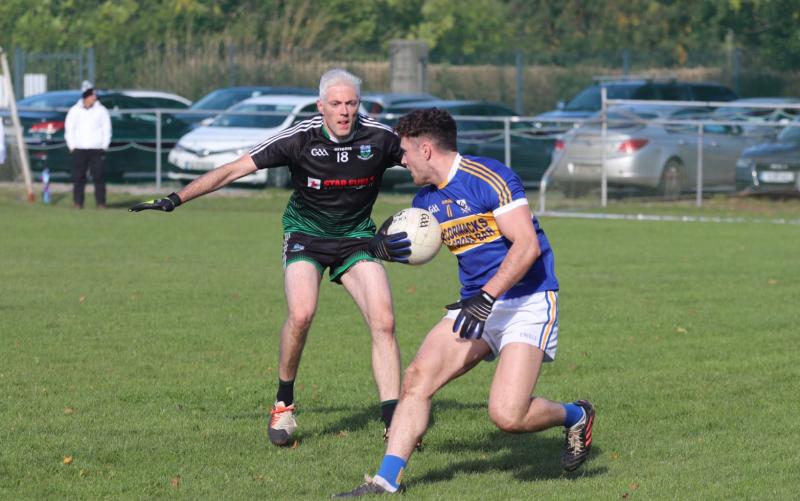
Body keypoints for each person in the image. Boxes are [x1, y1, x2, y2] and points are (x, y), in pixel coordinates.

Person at [129, 69, 411, 447]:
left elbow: (427, 167)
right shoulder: (299, 138)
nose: (344, 112)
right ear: (320, 105)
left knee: (385, 320)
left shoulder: (380, 137)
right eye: (336, 104)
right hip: (306, 236)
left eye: (351, 103)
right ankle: (284, 401)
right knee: (301, 314)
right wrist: (176, 199)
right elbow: (233, 169)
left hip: (357, 237)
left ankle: (394, 421)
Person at [334, 108, 595, 497]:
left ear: (425, 149)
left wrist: (488, 297)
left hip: (527, 300)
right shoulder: (425, 198)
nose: (401, 160)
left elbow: (527, 247)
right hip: (477, 303)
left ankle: (576, 414)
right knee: (417, 380)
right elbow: (421, 245)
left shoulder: (489, 177)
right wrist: (382, 248)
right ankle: (386, 482)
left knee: (508, 416)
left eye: (405, 152)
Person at [65, 80, 112, 209]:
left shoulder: (101, 111)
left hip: (97, 149)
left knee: (99, 176)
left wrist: (104, 146)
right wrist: (72, 146)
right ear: (86, 96)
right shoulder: (74, 111)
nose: (94, 97)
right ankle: (78, 202)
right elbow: (70, 129)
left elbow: (106, 129)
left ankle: (101, 203)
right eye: (92, 95)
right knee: (79, 177)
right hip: (79, 149)